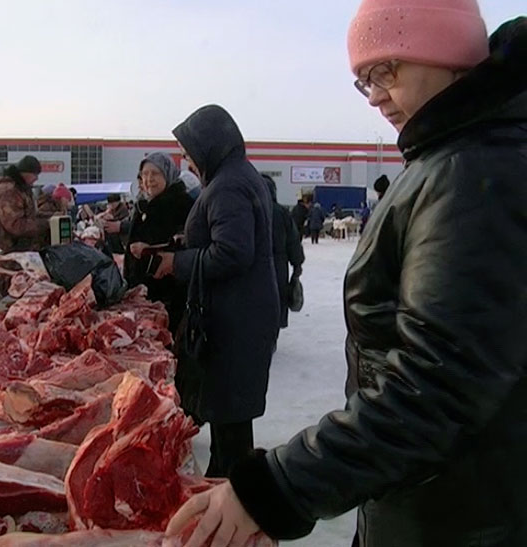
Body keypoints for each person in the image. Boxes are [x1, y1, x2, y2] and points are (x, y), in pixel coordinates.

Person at [165, 7, 527, 547]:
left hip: (460, 513)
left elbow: (438, 386)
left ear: (447, 51)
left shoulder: (474, 170)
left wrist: (279, 487)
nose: (376, 94)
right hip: (428, 493)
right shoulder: (450, 156)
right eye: (363, 81)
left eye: (387, 70)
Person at [153, 105, 279, 479]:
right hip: (241, 313)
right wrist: (184, 241)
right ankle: (224, 490)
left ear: (210, 145)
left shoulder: (229, 184)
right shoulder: (234, 177)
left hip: (236, 319)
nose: (188, 162)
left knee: (231, 421)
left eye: (190, 154)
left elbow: (233, 253)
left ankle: (233, 506)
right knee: (230, 422)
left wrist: (177, 263)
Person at [124, 152, 194, 334]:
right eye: (145, 174)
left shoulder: (182, 205)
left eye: (155, 173)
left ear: (168, 174)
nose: (149, 180)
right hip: (144, 297)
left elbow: (186, 245)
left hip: (169, 296)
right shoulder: (144, 204)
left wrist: (148, 251)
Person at [0, 155, 49, 297]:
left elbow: (29, 216)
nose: (36, 179)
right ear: (25, 173)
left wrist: (50, 218)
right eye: (35, 175)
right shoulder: (7, 191)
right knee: (9, 299)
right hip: (4, 256)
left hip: (17, 255)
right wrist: (46, 225)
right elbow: (15, 225)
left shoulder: (21, 189)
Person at [261, 174, 304, 331]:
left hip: (255, 265)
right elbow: (293, 240)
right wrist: (297, 263)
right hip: (278, 265)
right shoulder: (282, 213)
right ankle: (273, 334)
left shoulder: (249, 210)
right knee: (277, 298)